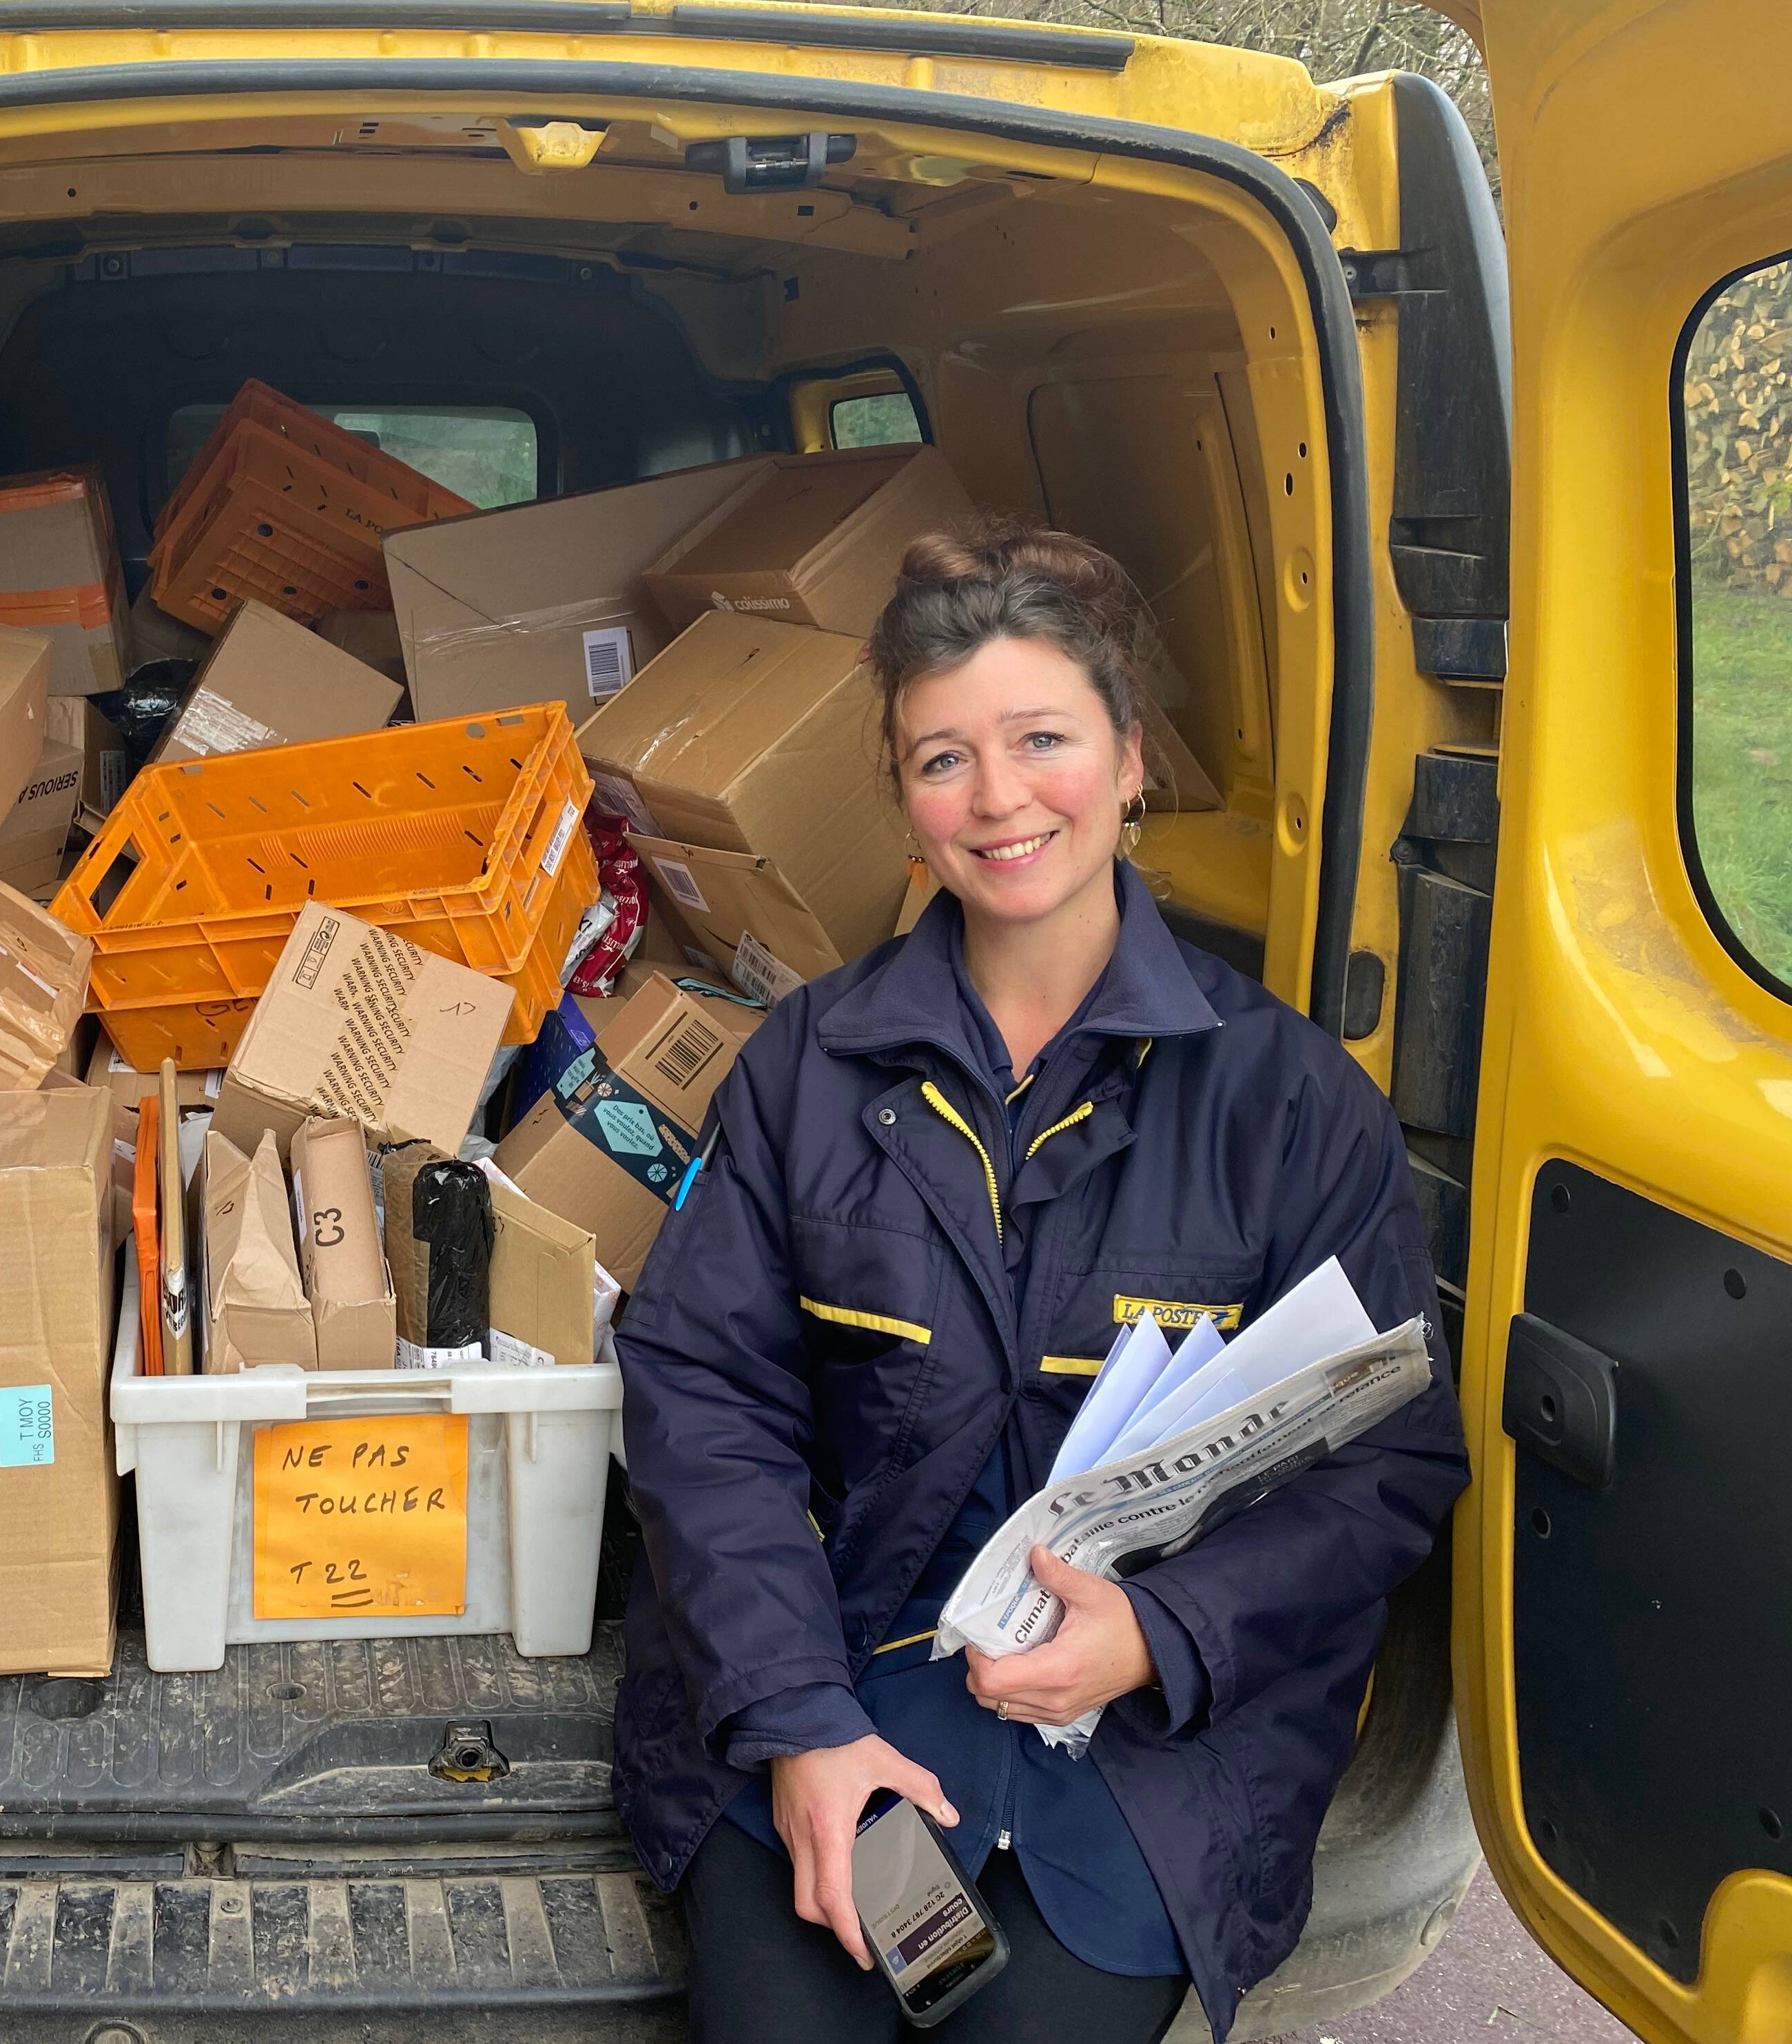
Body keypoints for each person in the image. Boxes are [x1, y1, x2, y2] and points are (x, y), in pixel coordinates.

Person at [610, 524, 1470, 2044]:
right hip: (845, 1680)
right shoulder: (807, 1067)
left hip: (1152, 1757)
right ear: (903, 802)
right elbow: (705, 1399)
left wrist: (1165, 1635)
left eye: (1042, 740)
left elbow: (1386, 1463)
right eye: (943, 760)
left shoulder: (1289, 1100)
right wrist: (803, 1722)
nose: (999, 798)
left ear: (1133, 760)